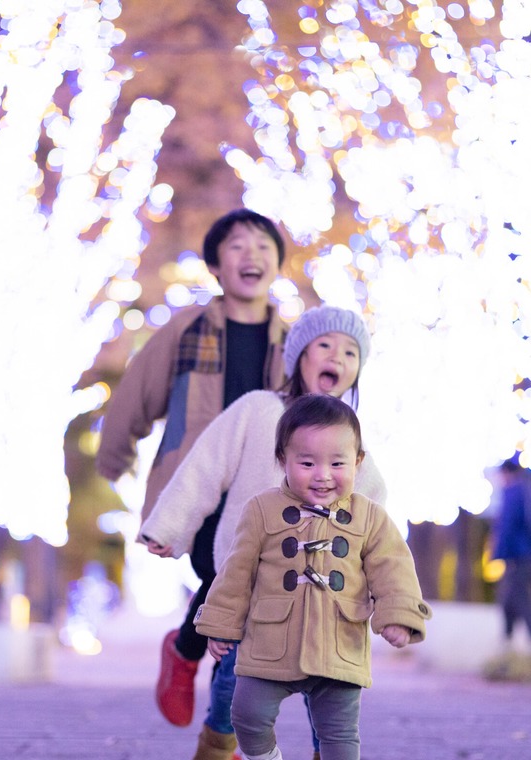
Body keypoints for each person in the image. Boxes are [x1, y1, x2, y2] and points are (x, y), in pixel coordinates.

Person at [141, 306, 382, 760]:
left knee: (330, 689)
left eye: (351, 352)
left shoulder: (348, 436)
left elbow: (373, 508)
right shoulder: (258, 409)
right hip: (248, 581)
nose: (338, 356)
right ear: (299, 356)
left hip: (320, 594)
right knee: (234, 684)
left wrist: (376, 578)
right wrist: (170, 525)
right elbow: (205, 466)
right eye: (325, 345)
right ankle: (217, 747)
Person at [96, 208, 290, 727]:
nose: (251, 255)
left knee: (239, 583)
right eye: (237, 246)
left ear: (276, 265)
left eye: (263, 247)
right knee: (222, 574)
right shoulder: (186, 329)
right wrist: (115, 454)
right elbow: (137, 393)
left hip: (261, 483)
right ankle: (196, 676)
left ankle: (192, 666)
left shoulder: (290, 341)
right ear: (216, 266)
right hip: (198, 480)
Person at [193, 394, 432, 760]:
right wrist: (222, 624)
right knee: (246, 715)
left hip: (339, 643)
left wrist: (398, 615)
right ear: (282, 460)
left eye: (337, 463)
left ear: (358, 462)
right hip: (269, 642)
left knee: (339, 735)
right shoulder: (261, 510)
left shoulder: (369, 518)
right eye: (307, 463)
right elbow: (235, 572)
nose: (323, 475)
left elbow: (393, 568)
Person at [491, 458, 531, 652]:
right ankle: (511, 643)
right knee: (513, 599)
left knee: (519, 601)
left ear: (506, 473)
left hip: (518, 559)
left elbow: (506, 527)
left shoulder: (513, 492)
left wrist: (498, 554)